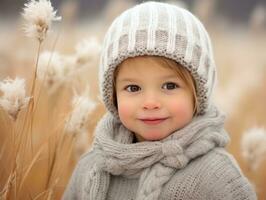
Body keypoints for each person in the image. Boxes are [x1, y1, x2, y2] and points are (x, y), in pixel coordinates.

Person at [62, 1, 257, 199]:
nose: (150, 102)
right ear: (113, 96)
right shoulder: (90, 168)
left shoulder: (215, 174)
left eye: (170, 86)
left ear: (197, 94)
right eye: (133, 88)